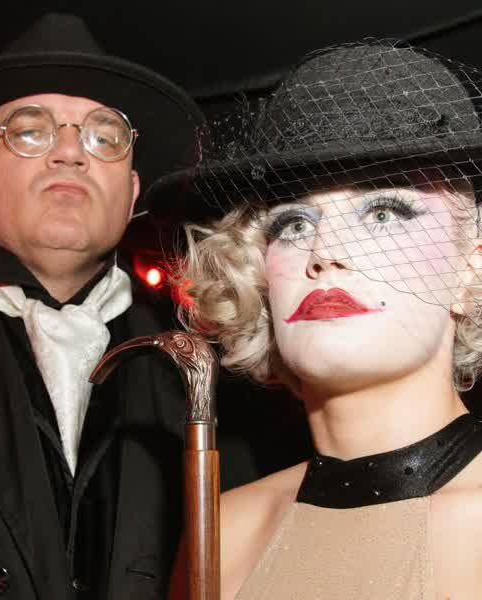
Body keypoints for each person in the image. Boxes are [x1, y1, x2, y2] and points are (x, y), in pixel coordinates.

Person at [0, 12, 205, 600]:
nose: (70, 153)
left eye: (104, 136)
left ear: (132, 191)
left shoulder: (215, 368)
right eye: (30, 131)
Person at [149, 39, 482, 599]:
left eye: (383, 212)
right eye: (294, 224)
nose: (324, 251)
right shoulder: (222, 533)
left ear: (470, 271)